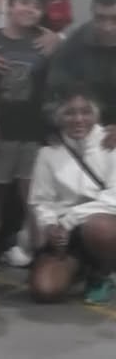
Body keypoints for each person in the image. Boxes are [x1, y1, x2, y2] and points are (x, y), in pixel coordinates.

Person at [0, 0, 53, 271]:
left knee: (30, 193)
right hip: (0, 128)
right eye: (24, 2)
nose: (29, 9)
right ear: (10, 5)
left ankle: (37, 249)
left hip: (32, 132)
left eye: (36, 6)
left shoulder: (45, 43)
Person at [28, 88, 116, 305]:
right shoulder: (48, 152)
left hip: (101, 223)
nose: (78, 119)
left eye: (85, 112)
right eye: (70, 113)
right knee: (45, 290)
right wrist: (50, 226)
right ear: (59, 117)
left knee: (99, 229)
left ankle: (104, 274)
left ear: (96, 115)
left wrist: (70, 220)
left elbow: (113, 197)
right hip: (67, 233)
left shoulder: (110, 142)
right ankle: (80, 267)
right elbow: (41, 200)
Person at [47, 0, 116, 129]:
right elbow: (53, 95)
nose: (107, 27)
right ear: (91, 12)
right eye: (100, 18)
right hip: (83, 128)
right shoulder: (74, 43)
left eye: (115, 19)